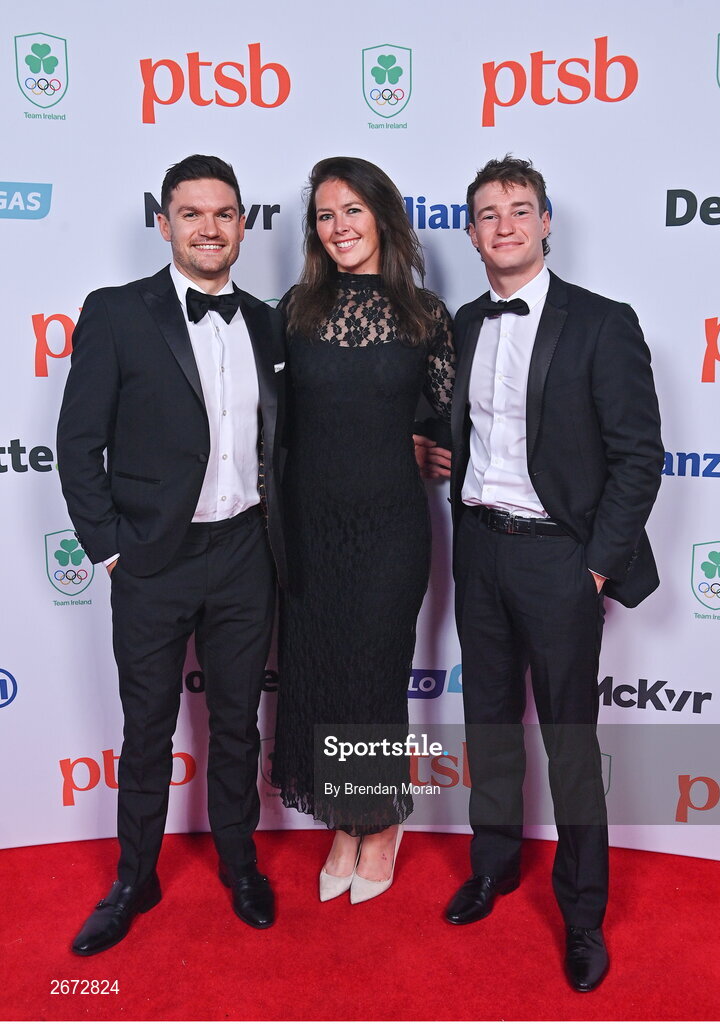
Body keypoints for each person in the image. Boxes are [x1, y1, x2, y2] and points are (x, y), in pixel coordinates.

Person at [57, 154, 286, 955]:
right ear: (164, 221)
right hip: (152, 559)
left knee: (236, 724)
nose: (209, 228)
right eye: (192, 213)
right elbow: (78, 444)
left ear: (242, 222)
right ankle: (134, 877)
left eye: (224, 213)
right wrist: (111, 551)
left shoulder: (266, 319)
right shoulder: (119, 312)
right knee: (147, 726)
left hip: (244, 554)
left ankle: (238, 860)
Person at [443, 156, 663, 991]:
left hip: (559, 558)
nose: (504, 224)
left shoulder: (602, 322)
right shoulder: (462, 322)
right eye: (488, 213)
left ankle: (581, 914)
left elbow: (637, 458)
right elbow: (459, 428)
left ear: (544, 223)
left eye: (519, 209)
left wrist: (596, 567)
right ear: (470, 231)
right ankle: (493, 867)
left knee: (568, 742)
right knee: (491, 725)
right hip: (478, 548)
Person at [271, 156, 454, 903]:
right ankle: (343, 820)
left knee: (373, 673)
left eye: (351, 210)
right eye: (324, 214)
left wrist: (429, 442)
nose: (338, 227)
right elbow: (265, 414)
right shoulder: (293, 309)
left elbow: (448, 417)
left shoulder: (425, 315)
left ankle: (378, 823)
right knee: (318, 670)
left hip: (387, 527)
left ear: (381, 215)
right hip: (307, 524)